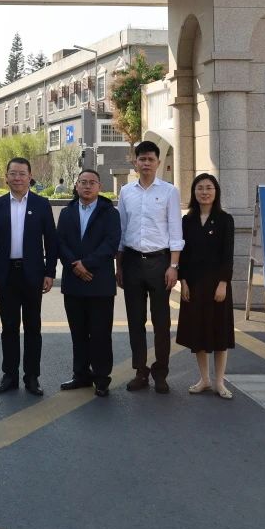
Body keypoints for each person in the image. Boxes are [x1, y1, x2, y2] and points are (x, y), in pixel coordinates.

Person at [0, 157, 58, 396]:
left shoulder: (41, 204)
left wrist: (50, 272)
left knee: (33, 327)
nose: (17, 178)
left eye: (22, 173)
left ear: (29, 177)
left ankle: (32, 377)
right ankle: (9, 375)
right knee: (9, 327)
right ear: (6, 177)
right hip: (5, 274)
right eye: (13, 173)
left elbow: (51, 241)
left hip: (33, 274)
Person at [116, 140, 184, 393]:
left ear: (158, 162)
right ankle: (140, 371)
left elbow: (176, 230)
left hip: (160, 262)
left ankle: (161, 372)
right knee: (135, 321)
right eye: (141, 159)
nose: (146, 163)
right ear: (135, 162)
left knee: (161, 322)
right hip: (132, 261)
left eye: (150, 159)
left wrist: (174, 266)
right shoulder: (126, 192)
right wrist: (119, 266)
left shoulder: (169, 191)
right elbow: (122, 231)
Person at [57, 169, 120, 396]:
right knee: (78, 333)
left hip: (99, 282)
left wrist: (86, 264)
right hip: (74, 282)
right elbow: (60, 243)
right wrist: (75, 265)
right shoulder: (67, 212)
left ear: (99, 187)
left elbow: (111, 243)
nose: (87, 186)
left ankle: (102, 378)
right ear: (76, 185)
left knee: (100, 333)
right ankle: (81, 375)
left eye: (92, 182)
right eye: (83, 182)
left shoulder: (110, 213)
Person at [175, 173, 236, 400]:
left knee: (220, 333)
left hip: (217, 284)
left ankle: (219, 381)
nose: (204, 192)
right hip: (193, 284)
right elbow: (183, 254)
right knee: (197, 332)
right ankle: (205, 379)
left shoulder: (225, 219)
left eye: (209, 187)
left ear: (216, 191)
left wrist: (223, 283)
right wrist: (183, 281)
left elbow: (227, 255)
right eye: (200, 188)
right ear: (194, 192)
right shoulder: (187, 220)